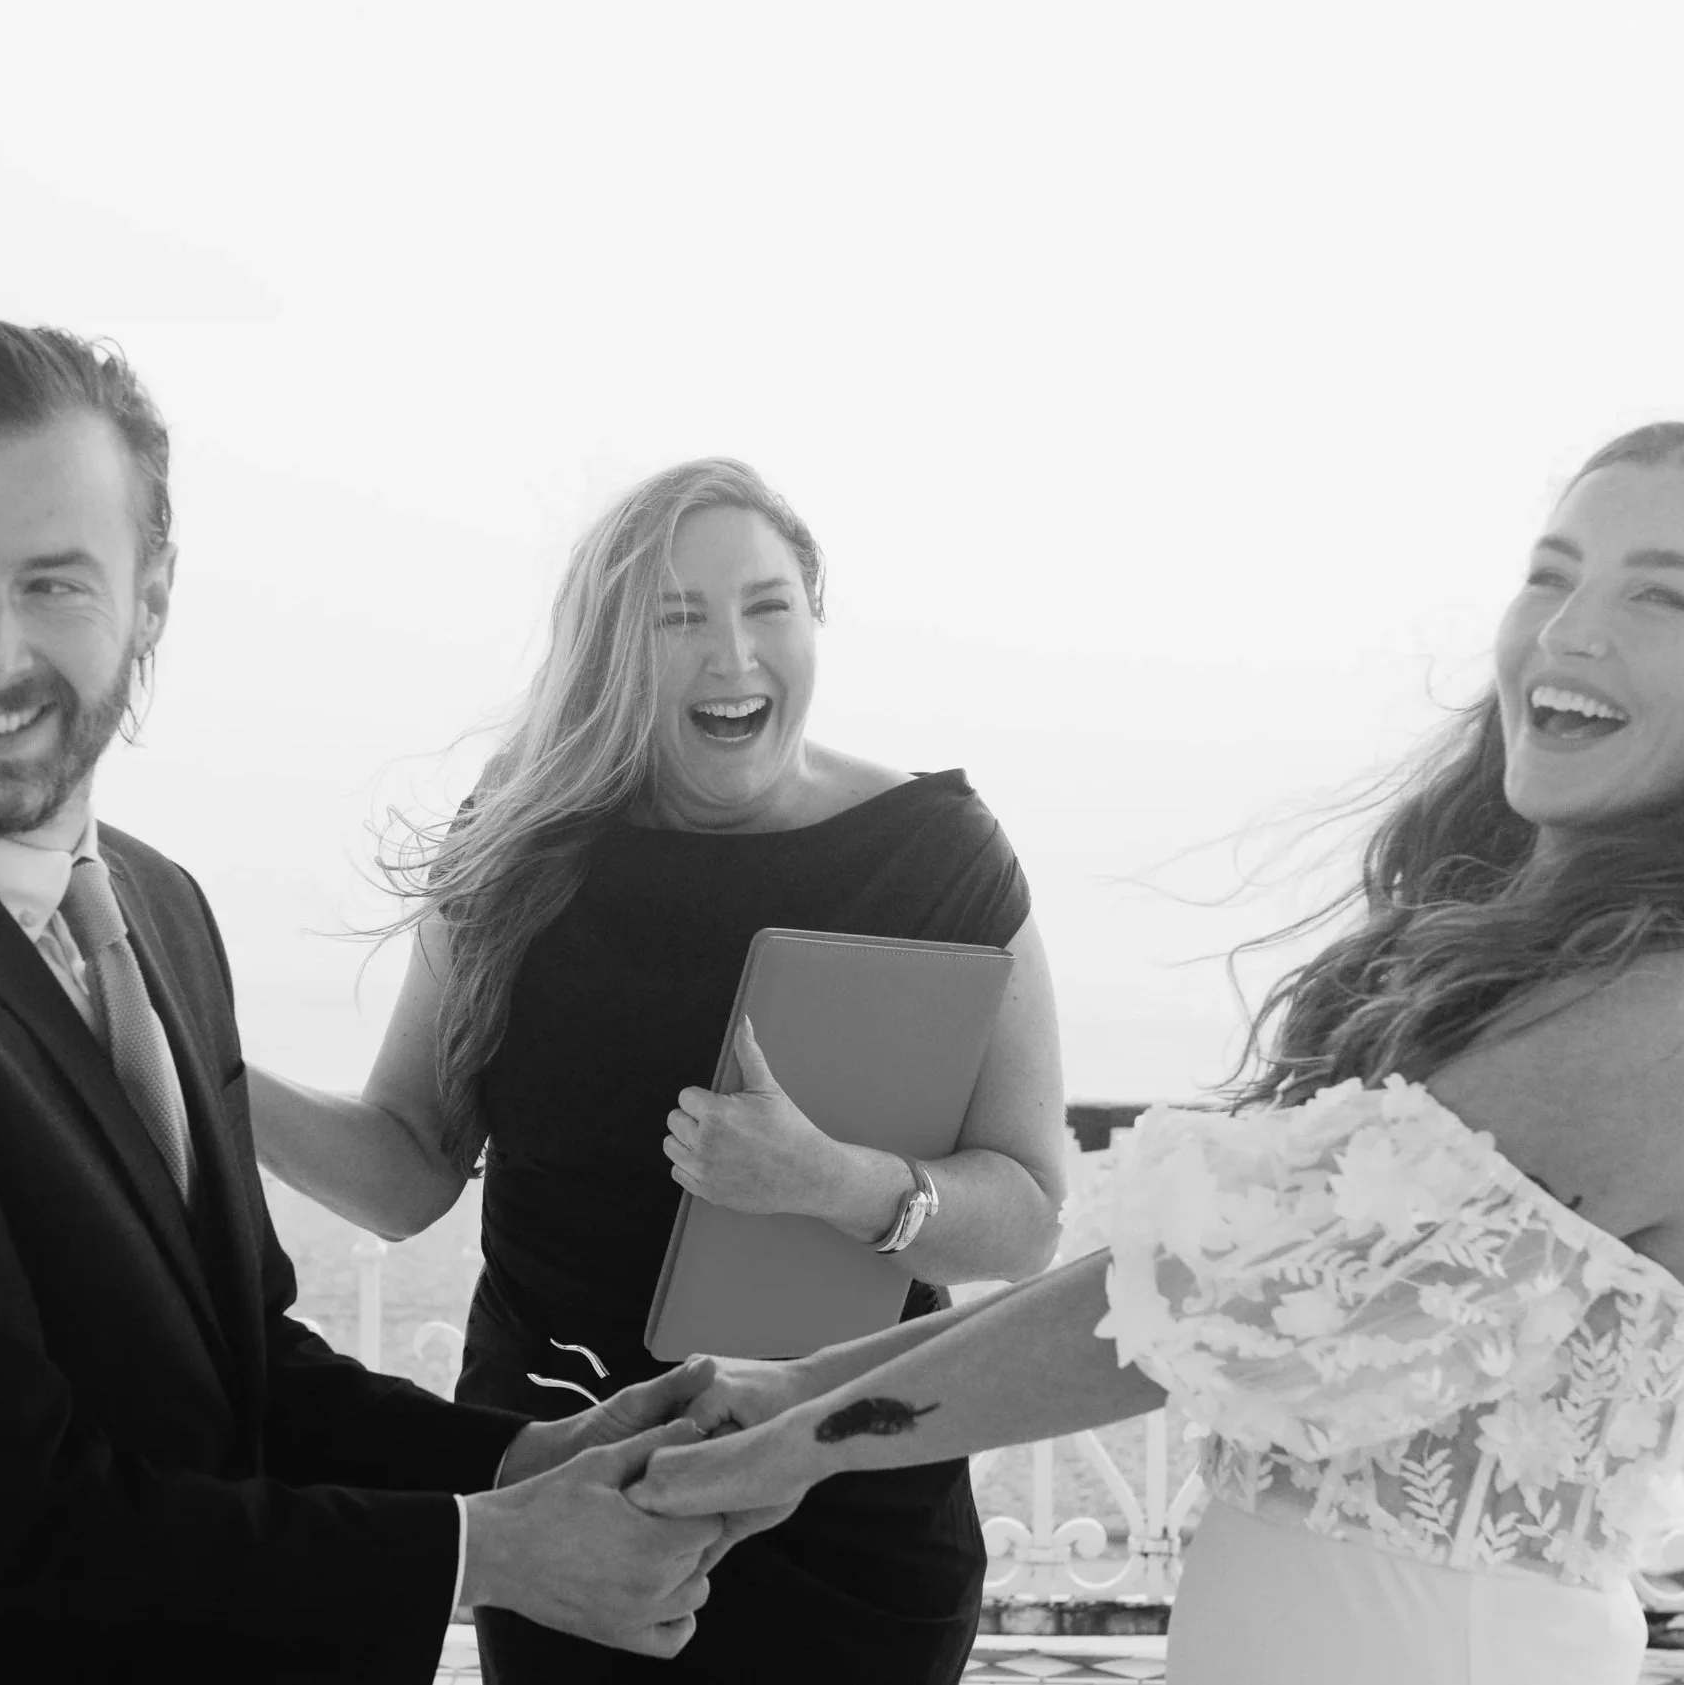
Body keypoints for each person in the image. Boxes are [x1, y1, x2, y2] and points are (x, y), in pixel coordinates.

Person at [631, 423, 1684, 1685]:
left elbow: (1173, 1312)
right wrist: (793, 1388)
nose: (1568, 629)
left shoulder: (1683, 1012)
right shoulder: (1590, 971)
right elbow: (1183, 1290)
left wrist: (802, 1436)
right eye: (1552, 573)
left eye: (1659, 592)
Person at [0, 314, 730, 1685]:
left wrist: (519, 1454)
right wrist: (491, 1549)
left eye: (54, 584)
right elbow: (23, 1531)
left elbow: (239, 1361)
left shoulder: (153, 905)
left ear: (148, 596)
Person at [248, 458, 1069, 1682]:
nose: (732, 654)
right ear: (611, 649)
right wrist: (203, 1059)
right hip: (575, 1492)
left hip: (849, 1491)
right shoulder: (520, 839)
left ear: (814, 615)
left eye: (767, 605)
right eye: (678, 617)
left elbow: (1027, 1216)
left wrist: (829, 1180)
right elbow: (408, 1169)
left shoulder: (941, 854)